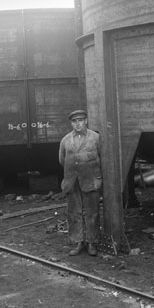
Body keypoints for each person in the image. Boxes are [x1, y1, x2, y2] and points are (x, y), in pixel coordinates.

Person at [58, 109, 102, 256]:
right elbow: (62, 160)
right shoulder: (65, 140)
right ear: (71, 123)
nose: (77, 124)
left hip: (90, 180)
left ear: (86, 121)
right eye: (74, 121)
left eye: (80, 120)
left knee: (92, 213)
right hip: (72, 182)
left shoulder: (96, 138)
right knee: (74, 213)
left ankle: (91, 243)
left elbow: (103, 159)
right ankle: (78, 242)